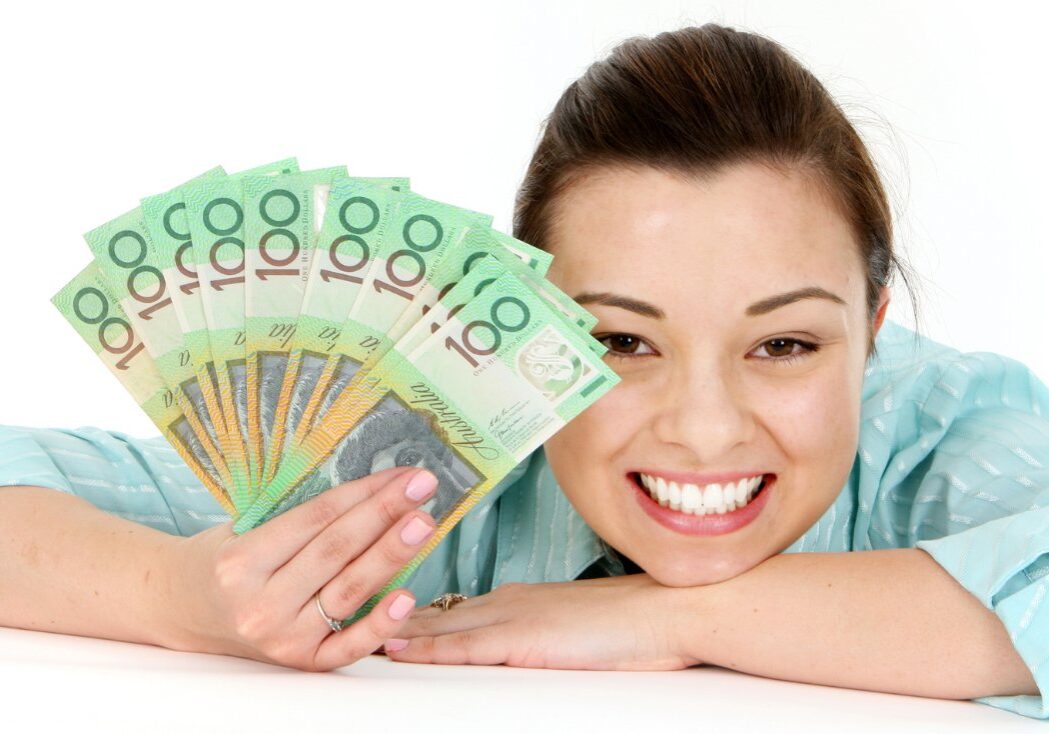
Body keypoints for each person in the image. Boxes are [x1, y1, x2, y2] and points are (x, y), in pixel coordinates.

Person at [1, 23, 1046, 721]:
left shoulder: (951, 432)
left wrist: (661, 612)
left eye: (783, 344)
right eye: (620, 341)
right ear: (521, 335)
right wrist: (187, 594)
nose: (702, 428)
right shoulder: (427, 457)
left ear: (869, 328)